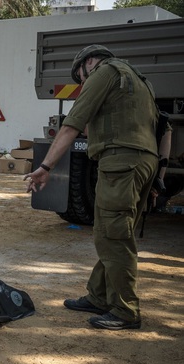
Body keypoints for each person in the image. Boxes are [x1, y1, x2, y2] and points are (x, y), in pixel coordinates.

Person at [24, 45, 160, 330]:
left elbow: (73, 124)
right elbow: (163, 126)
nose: (83, 83)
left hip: (121, 161)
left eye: (80, 77)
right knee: (109, 232)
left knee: (114, 235)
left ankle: (125, 310)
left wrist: (46, 167)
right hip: (143, 160)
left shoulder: (104, 72)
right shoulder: (139, 79)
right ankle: (99, 296)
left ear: (88, 63)